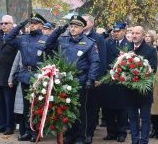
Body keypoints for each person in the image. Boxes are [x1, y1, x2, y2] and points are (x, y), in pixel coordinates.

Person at [45, 15, 100, 144]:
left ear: (82, 28)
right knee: (66, 108)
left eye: (76, 26)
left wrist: (90, 79)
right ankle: (69, 134)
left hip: (80, 79)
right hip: (64, 79)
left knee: (80, 109)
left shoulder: (89, 43)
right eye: (71, 26)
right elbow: (48, 45)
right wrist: (57, 31)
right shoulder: (63, 39)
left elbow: (95, 62)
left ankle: (80, 136)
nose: (73, 29)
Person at [3, 13, 48, 142]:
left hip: (39, 76)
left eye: (34, 23)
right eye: (30, 23)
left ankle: (36, 132)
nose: (32, 25)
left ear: (40, 25)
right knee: (27, 106)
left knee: (37, 106)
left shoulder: (45, 39)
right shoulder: (23, 38)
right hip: (25, 75)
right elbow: (8, 39)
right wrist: (20, 25)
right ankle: (28, 131)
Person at [124, 26, 157, 144]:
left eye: (137, 33)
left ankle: (143, 141)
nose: (134, 35)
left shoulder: (150, 50)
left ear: (143, 35)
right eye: (132, 33)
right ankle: (134, 141)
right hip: (129, 91)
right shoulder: (126, 48)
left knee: (145, 119)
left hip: (144, 92)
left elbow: (153, 69)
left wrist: (139, 75)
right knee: (132, 119)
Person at [100, 21, 130, 143]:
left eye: (118, 31)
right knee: (108, 108)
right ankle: (111, 132)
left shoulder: (129, 44)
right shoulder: (107, 43)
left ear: (124, 31)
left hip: (122, 81)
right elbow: (104, 60)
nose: (115, 33)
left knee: (122, 109)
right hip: (109, 80)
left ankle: (121, 133)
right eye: (114, 31)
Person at [0, 15, 18, 135]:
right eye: (2, 23)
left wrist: (13, 76)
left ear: (12, 24)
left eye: (6, 23)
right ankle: (0, 124)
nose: (3, 26)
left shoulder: (16, 38)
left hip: (8, 76)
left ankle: (9, 126)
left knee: (8, 103)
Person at [82, 14, 107, 143]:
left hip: (93, 79)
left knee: (91, 108)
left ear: (91, 23)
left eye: (84, 21)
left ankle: (89, 133)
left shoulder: (98, 38)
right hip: (79, 78)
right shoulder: (76, 36)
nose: (82, 23)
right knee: (79, 108)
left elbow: (102, 60)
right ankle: (79, 132)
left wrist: (98, 78)